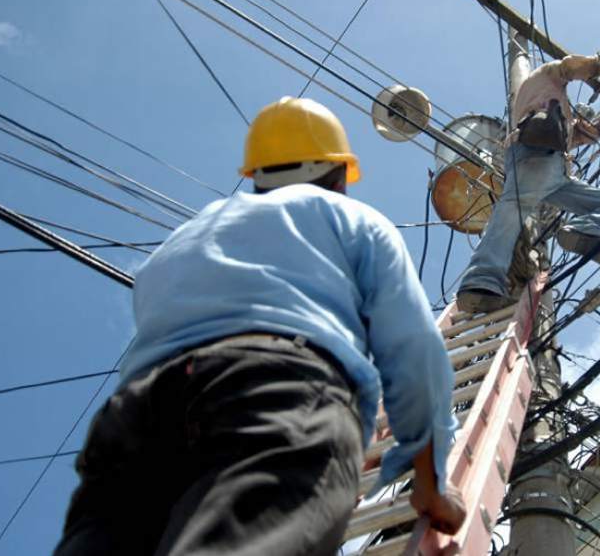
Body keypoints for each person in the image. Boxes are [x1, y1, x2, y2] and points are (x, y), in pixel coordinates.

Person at [54, 97, 466, 555]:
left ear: (256, 175)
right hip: (276, 393)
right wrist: (431, 482)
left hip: (130, 420)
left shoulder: (184, 237)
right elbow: (414, 355)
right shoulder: (353, 220)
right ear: (336, 174)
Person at [457, 52, 600, 313]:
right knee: (514, 207)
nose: (582, 116)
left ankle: (580, 230)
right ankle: (480, 282)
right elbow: (569, 67)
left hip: (557, 174)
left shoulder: (563, 122)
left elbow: (592, 131)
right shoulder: (544, 79)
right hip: (534, 152)